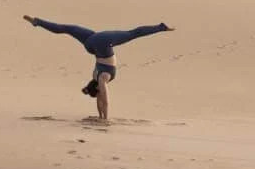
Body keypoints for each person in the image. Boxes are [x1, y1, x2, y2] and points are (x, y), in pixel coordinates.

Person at [24, 15, 172, 123]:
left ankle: (161, 27)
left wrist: (105, 118)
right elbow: (101, 99)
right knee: (66, 29)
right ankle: (37, 22)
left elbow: (105, 101)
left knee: (133, 33)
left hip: (102, 42)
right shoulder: (96, 76)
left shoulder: (103, 78)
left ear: (97, 88)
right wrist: (101, 117)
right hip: (92, 42)